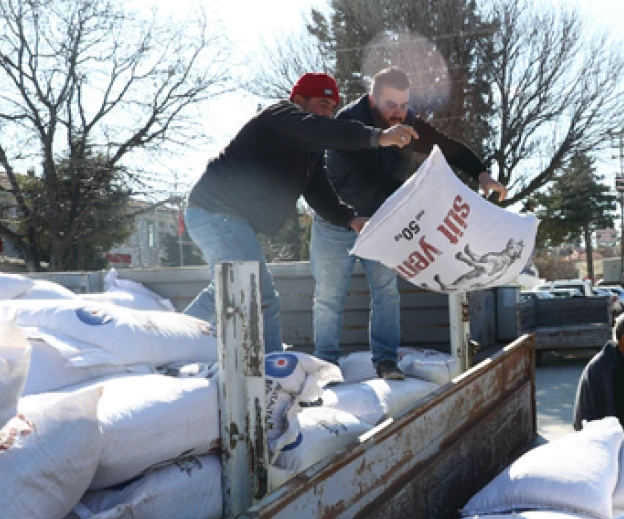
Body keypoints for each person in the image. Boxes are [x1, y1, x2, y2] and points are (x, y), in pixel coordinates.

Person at [182, 72, 418, 353]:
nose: (328, 114)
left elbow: (318, 191)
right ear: (299, 100)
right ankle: (273, 374)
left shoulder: (309, 152)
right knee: (260, 295)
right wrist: (377, 136)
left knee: (226, 292)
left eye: (332, 108)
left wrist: (350, 219)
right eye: (322, 104)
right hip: (215, 212)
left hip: (224, 217)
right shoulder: (279, 115)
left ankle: (165, 339)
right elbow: (319, 130)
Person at [312, 67, 508, 379]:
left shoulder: (409, 122)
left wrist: (482, 174)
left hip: (381, 223)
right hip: (337, 221)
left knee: (387, 291)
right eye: (391, 105)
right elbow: (370, 179)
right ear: (373, 99)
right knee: (329, 296)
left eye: (404, 105)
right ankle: (326, 366)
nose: (399, 113)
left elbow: (447, 146)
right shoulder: (349, 122)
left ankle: (386, 360)